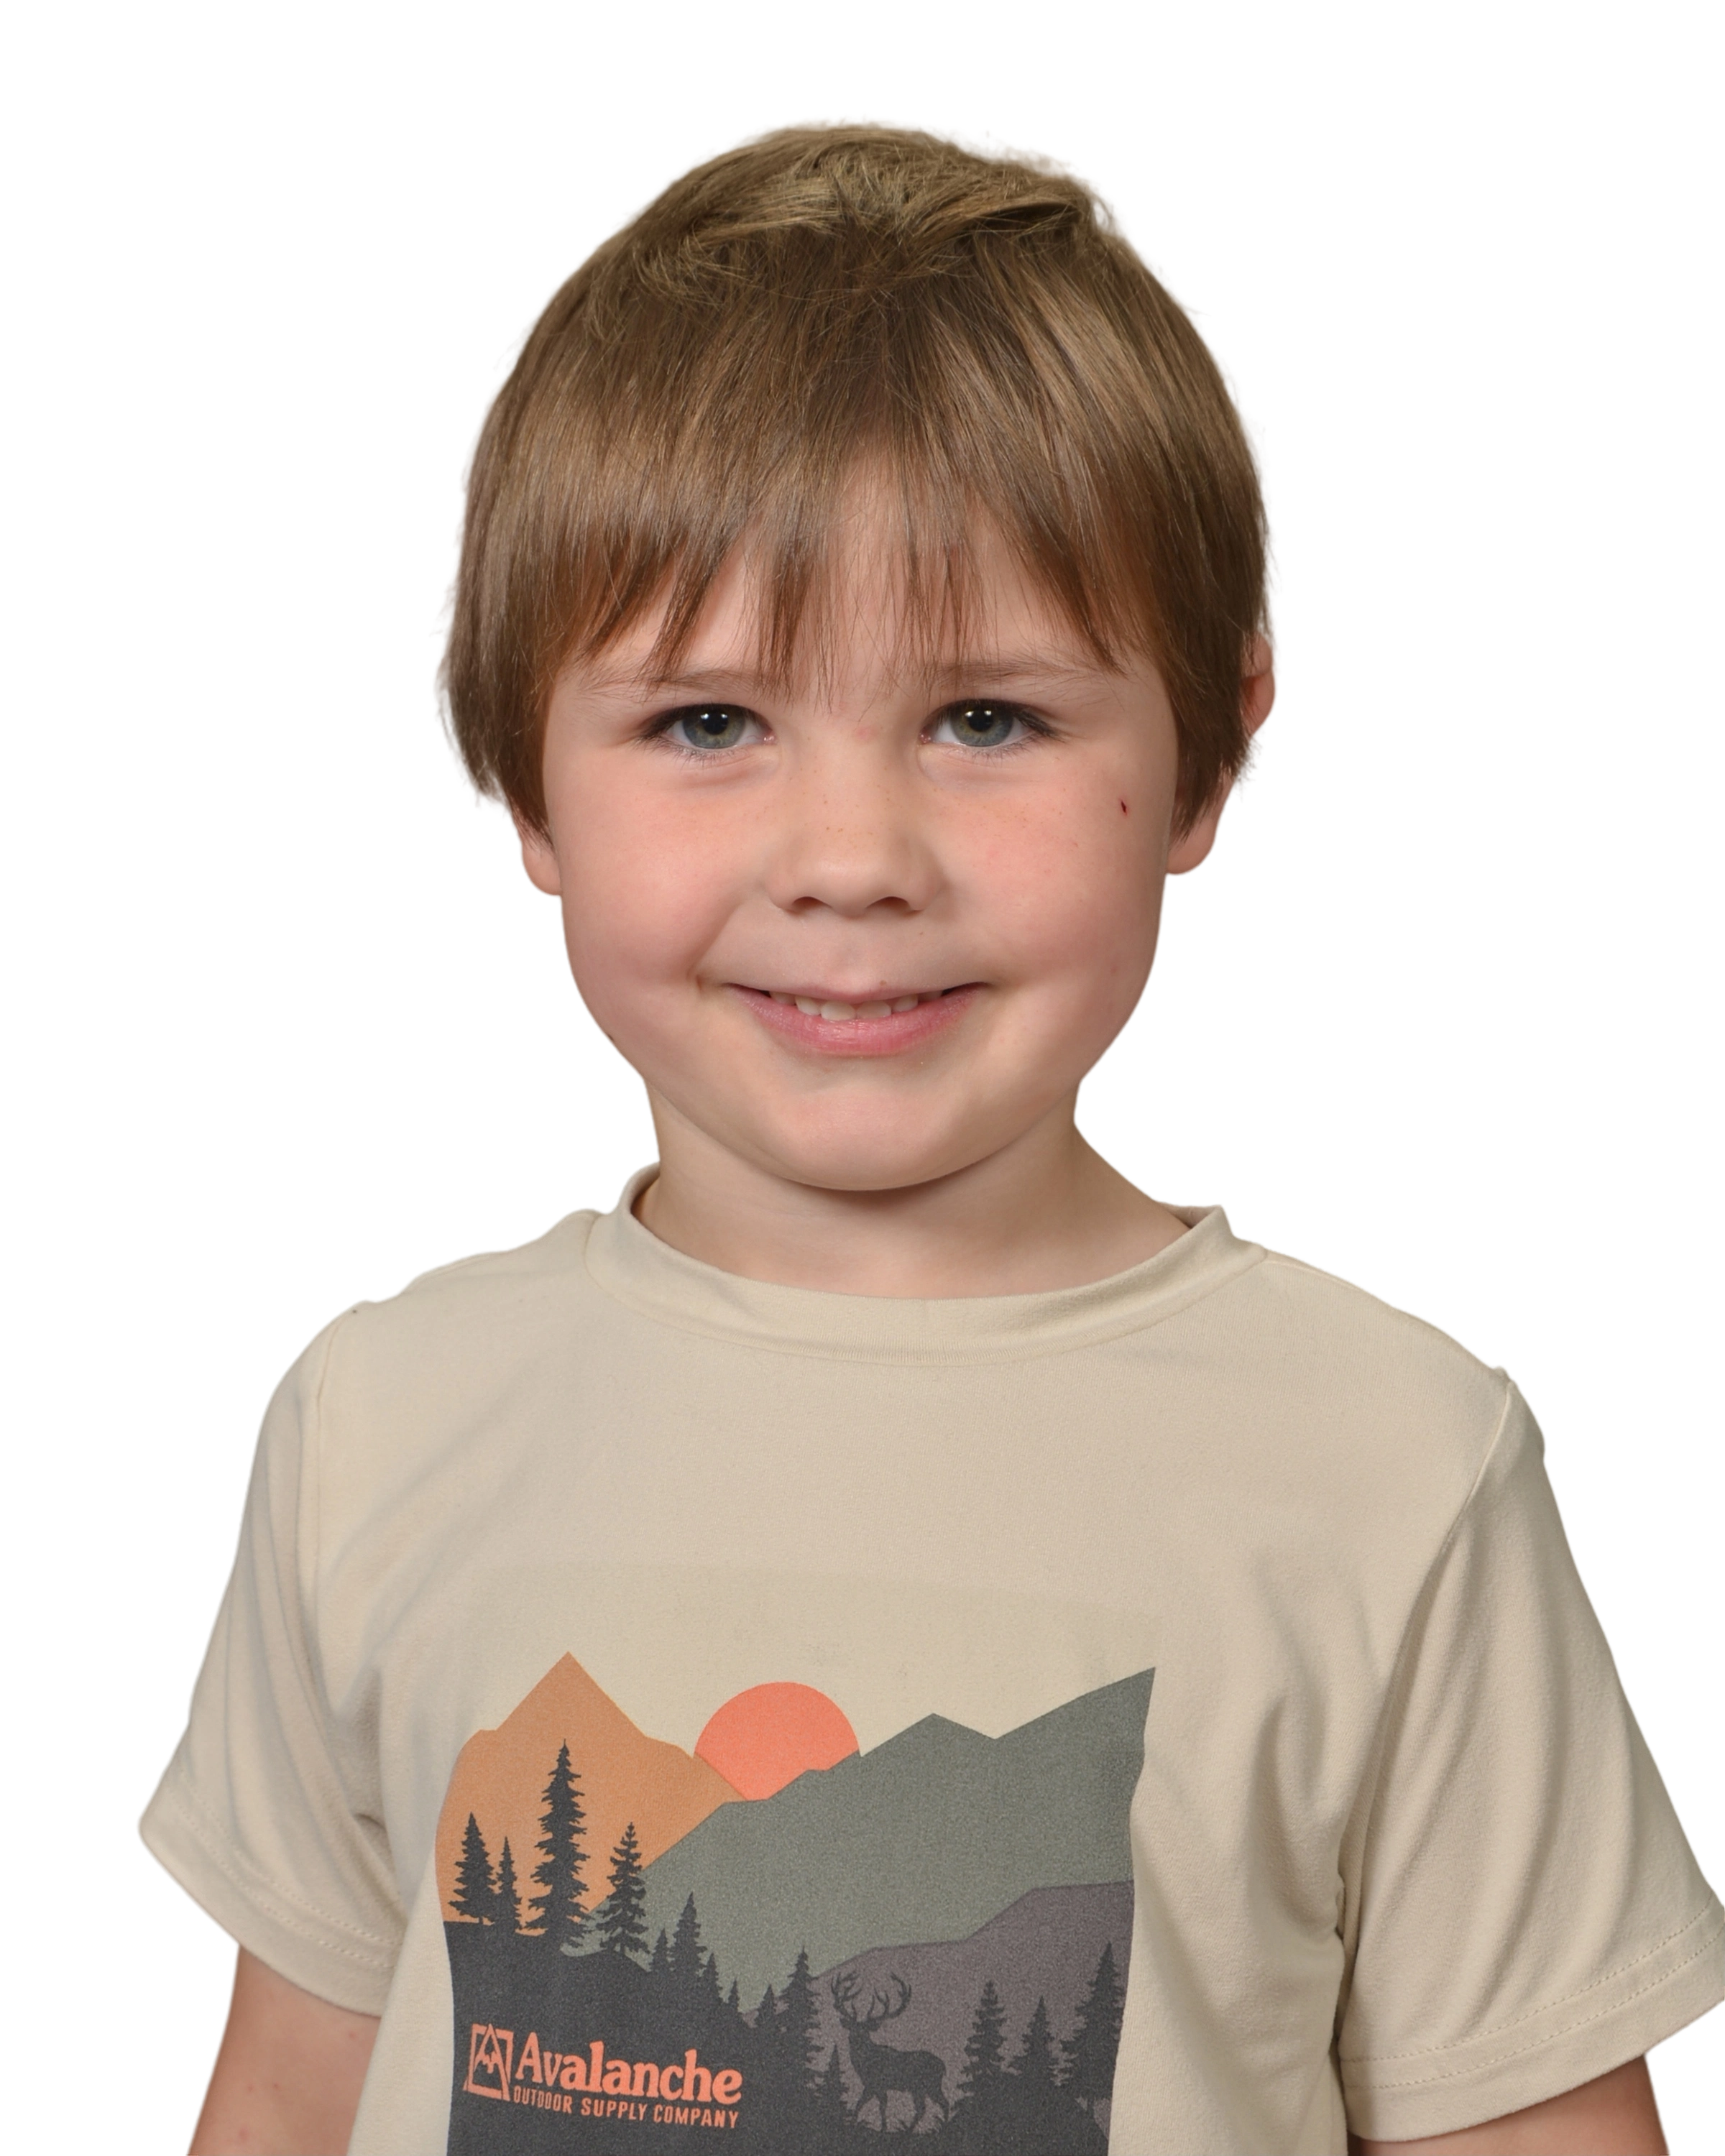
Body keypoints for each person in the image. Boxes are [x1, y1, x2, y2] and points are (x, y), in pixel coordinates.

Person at [135, 114, 1723, 2156]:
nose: (853, 857)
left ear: (1211, 758)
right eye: (709, 721)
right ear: (517, 775)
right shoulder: (378, 1420)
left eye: (987, 719)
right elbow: (292, 2092)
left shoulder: (1394, 1473)